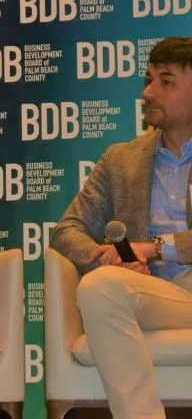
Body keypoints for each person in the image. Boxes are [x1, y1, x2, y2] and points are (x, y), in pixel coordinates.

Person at [52, 36, 192, 419]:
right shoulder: (121, 160)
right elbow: (67, 230)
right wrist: (106, 259)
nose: (148, 92)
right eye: (148, 80)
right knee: (98, 287)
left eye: (165, 81)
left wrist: (155, 248)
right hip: (158, 294)